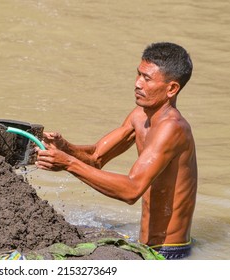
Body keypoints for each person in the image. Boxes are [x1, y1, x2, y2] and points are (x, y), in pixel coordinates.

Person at [35, 42, 197, 260]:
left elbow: (131, 190)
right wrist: (65, 148)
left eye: (146, 79)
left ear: (172, 89)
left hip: (168, 253)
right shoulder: (140, 115)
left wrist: (68, 163)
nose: (137, 84)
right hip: (145, 246)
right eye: (138, 75)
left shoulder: (172, 128)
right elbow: (95, 157)